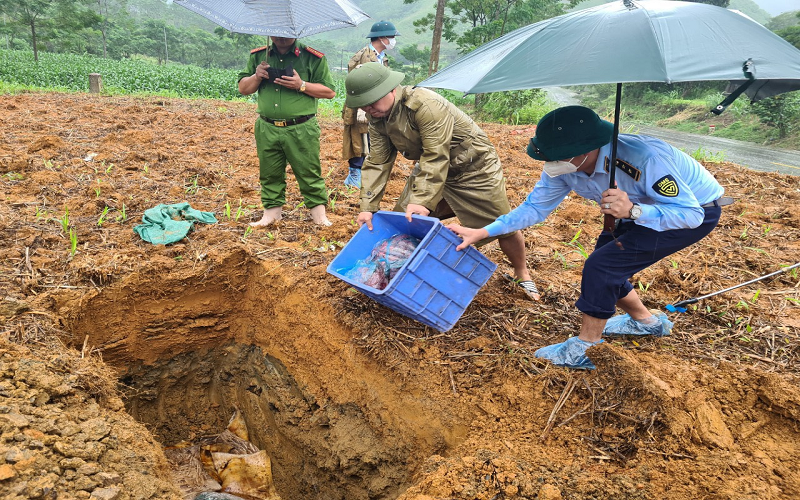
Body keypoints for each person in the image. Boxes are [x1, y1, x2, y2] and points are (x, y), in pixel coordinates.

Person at [449, 105, 729, 369]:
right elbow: (535, 208)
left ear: (586, 150)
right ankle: (647, 322)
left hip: (687, 213)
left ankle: (586, 347)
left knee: (602, 267)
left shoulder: (644, 158)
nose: (551, 164)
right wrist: (483, 231)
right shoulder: (564, 167)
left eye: (557, 157)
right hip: (631, 211)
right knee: (606, 265)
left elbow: (691, 215)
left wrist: (633, 209)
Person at [344, 62, 536, 298]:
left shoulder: (426, 105)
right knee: (406, 222)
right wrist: (368, 207)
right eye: (364, 105)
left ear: (390, 89)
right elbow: (378, 161)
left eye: (372, 102)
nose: (369, 109)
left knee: (500, 222)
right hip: (430, 169)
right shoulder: (378, 117)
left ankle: (522, 273)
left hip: (472, 167)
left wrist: (423, 201)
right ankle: (399, 278)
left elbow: (437, 154)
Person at [238, 36, 336, 227]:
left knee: (309, 172)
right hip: (267, 127)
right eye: (276, 32)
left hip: (301, 128)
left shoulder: (313, 57)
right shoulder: (259, 56)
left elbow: (329, 91)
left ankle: (319, 216)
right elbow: (243, 88)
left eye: (286, 33)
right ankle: (271, 214)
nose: (281, 37)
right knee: (269, 172)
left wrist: (301, 85)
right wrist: (256, 76)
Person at [341, 21, 400, 188]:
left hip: (375, 106)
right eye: (391, 37)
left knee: (371, 138)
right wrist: (361, 108)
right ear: (382, 38)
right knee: (358, 138)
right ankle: (354, 175)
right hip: (362, 105)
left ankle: (364, 174)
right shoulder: (364, 56)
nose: (393, 41)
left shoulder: (381, 57)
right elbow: (357, 84)